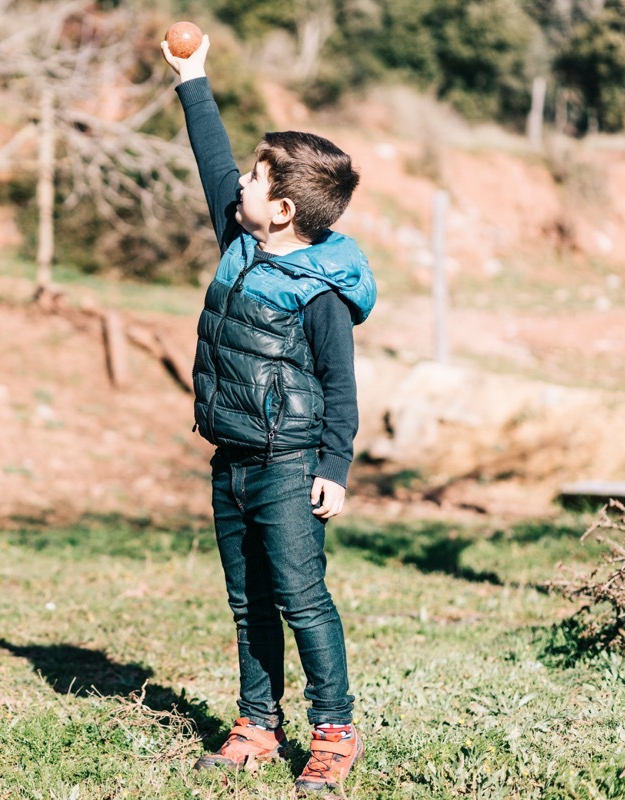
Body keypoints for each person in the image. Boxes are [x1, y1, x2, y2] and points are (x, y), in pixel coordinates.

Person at [161, 31, 377, 795]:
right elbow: (210, 158)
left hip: (289, 462)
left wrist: (334, 467)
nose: (238, 186)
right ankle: (257, 722)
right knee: (248, 597)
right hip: (232, 455)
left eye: (255, 181)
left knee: (301, 598)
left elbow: (339, 386)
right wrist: (193, 78)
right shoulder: (240, 241)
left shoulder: (317, 292)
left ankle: (334, 730)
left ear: (282, 209)